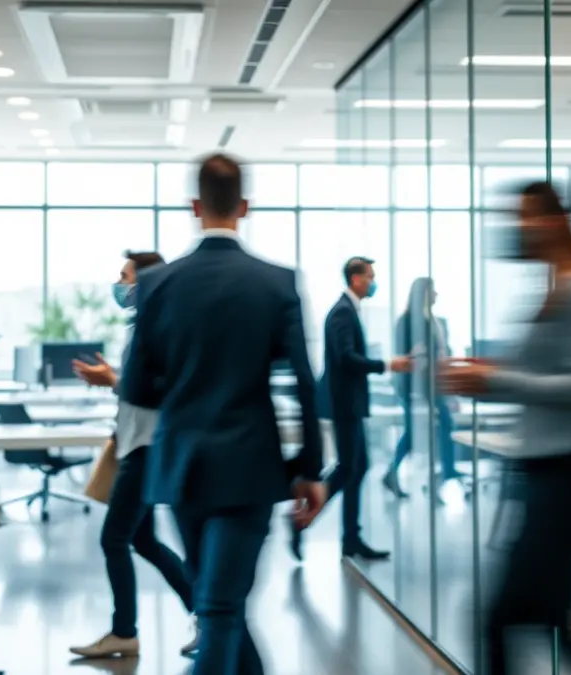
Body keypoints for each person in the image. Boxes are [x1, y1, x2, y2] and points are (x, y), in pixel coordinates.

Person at [124, 153, 326, 675]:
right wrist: (310, 469)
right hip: (249, 465)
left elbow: (137, 388)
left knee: (215, 602)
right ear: (245, 207)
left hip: (181, 466)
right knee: (221, 605)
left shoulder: (156, 286)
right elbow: (306, 384)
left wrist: (184, 381)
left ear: (195, 206)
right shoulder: (277, 282)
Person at [440, 182, 571, 675]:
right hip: (544, 472)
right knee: (560, 630)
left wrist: (498, 378)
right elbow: (549, 371)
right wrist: (492, 373)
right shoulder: (557, 285)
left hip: (566, 477)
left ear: (553, 222)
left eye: (524, 216)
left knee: (500, 622)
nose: (515, 227)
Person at [68, 250, 197, 660]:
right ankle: (209, 617)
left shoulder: (163, 327)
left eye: (125, 277)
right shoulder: (143, 325)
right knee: (144, 542)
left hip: (147, 448)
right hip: (135, 444)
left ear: (146, 282)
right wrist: (113, 383)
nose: (120, 284)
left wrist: (113, 381)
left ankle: (124, 632)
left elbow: (162, 391)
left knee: (114, 539)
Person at [291, 257, 411, 562]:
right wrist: (386, 364)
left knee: (357, 467)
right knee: (349, 468)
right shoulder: (342, 313)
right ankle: (305, 520)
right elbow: (346, 359)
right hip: (343, 403)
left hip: (348, 403)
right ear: (355, 278)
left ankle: (350, 538)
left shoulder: (347, 310)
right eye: (370, 276)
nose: (373, 282)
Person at [384, 276, 462, 499]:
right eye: (433, 290)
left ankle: (448, 472)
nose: (436, 294)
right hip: (413, 388)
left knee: (445, 423)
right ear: (424, 293)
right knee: (414, 431)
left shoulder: (436, 321)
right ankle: (394, 471)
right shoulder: (407, 321)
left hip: (433, 386)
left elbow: (442, 352)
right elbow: (404, 355)